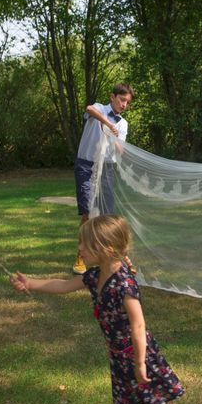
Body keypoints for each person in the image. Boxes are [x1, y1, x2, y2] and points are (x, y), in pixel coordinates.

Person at [10, 215, 202, 404]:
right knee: (123, 397)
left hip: (137, 353)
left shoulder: (124, 284)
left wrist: (140, 362)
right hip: (118, 352)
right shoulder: (95, 275)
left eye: (85, 244)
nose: (79, 248)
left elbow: (138, 325)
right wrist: (31, 283)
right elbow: (63, 285)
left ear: (107, 249)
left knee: (153, 399)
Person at [73, 84, 134, 274]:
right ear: (113, 97)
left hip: (107, 168)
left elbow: (120, 149)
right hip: (86, 164)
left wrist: (116, 141)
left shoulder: (123, 124)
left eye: (127, 102)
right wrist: (107, 124)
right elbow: (89, 109)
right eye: (122, 100)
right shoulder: (99, 108)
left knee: (108, 214)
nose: (124, 105)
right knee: (88, 210)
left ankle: (116, 257)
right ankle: (81, 257)